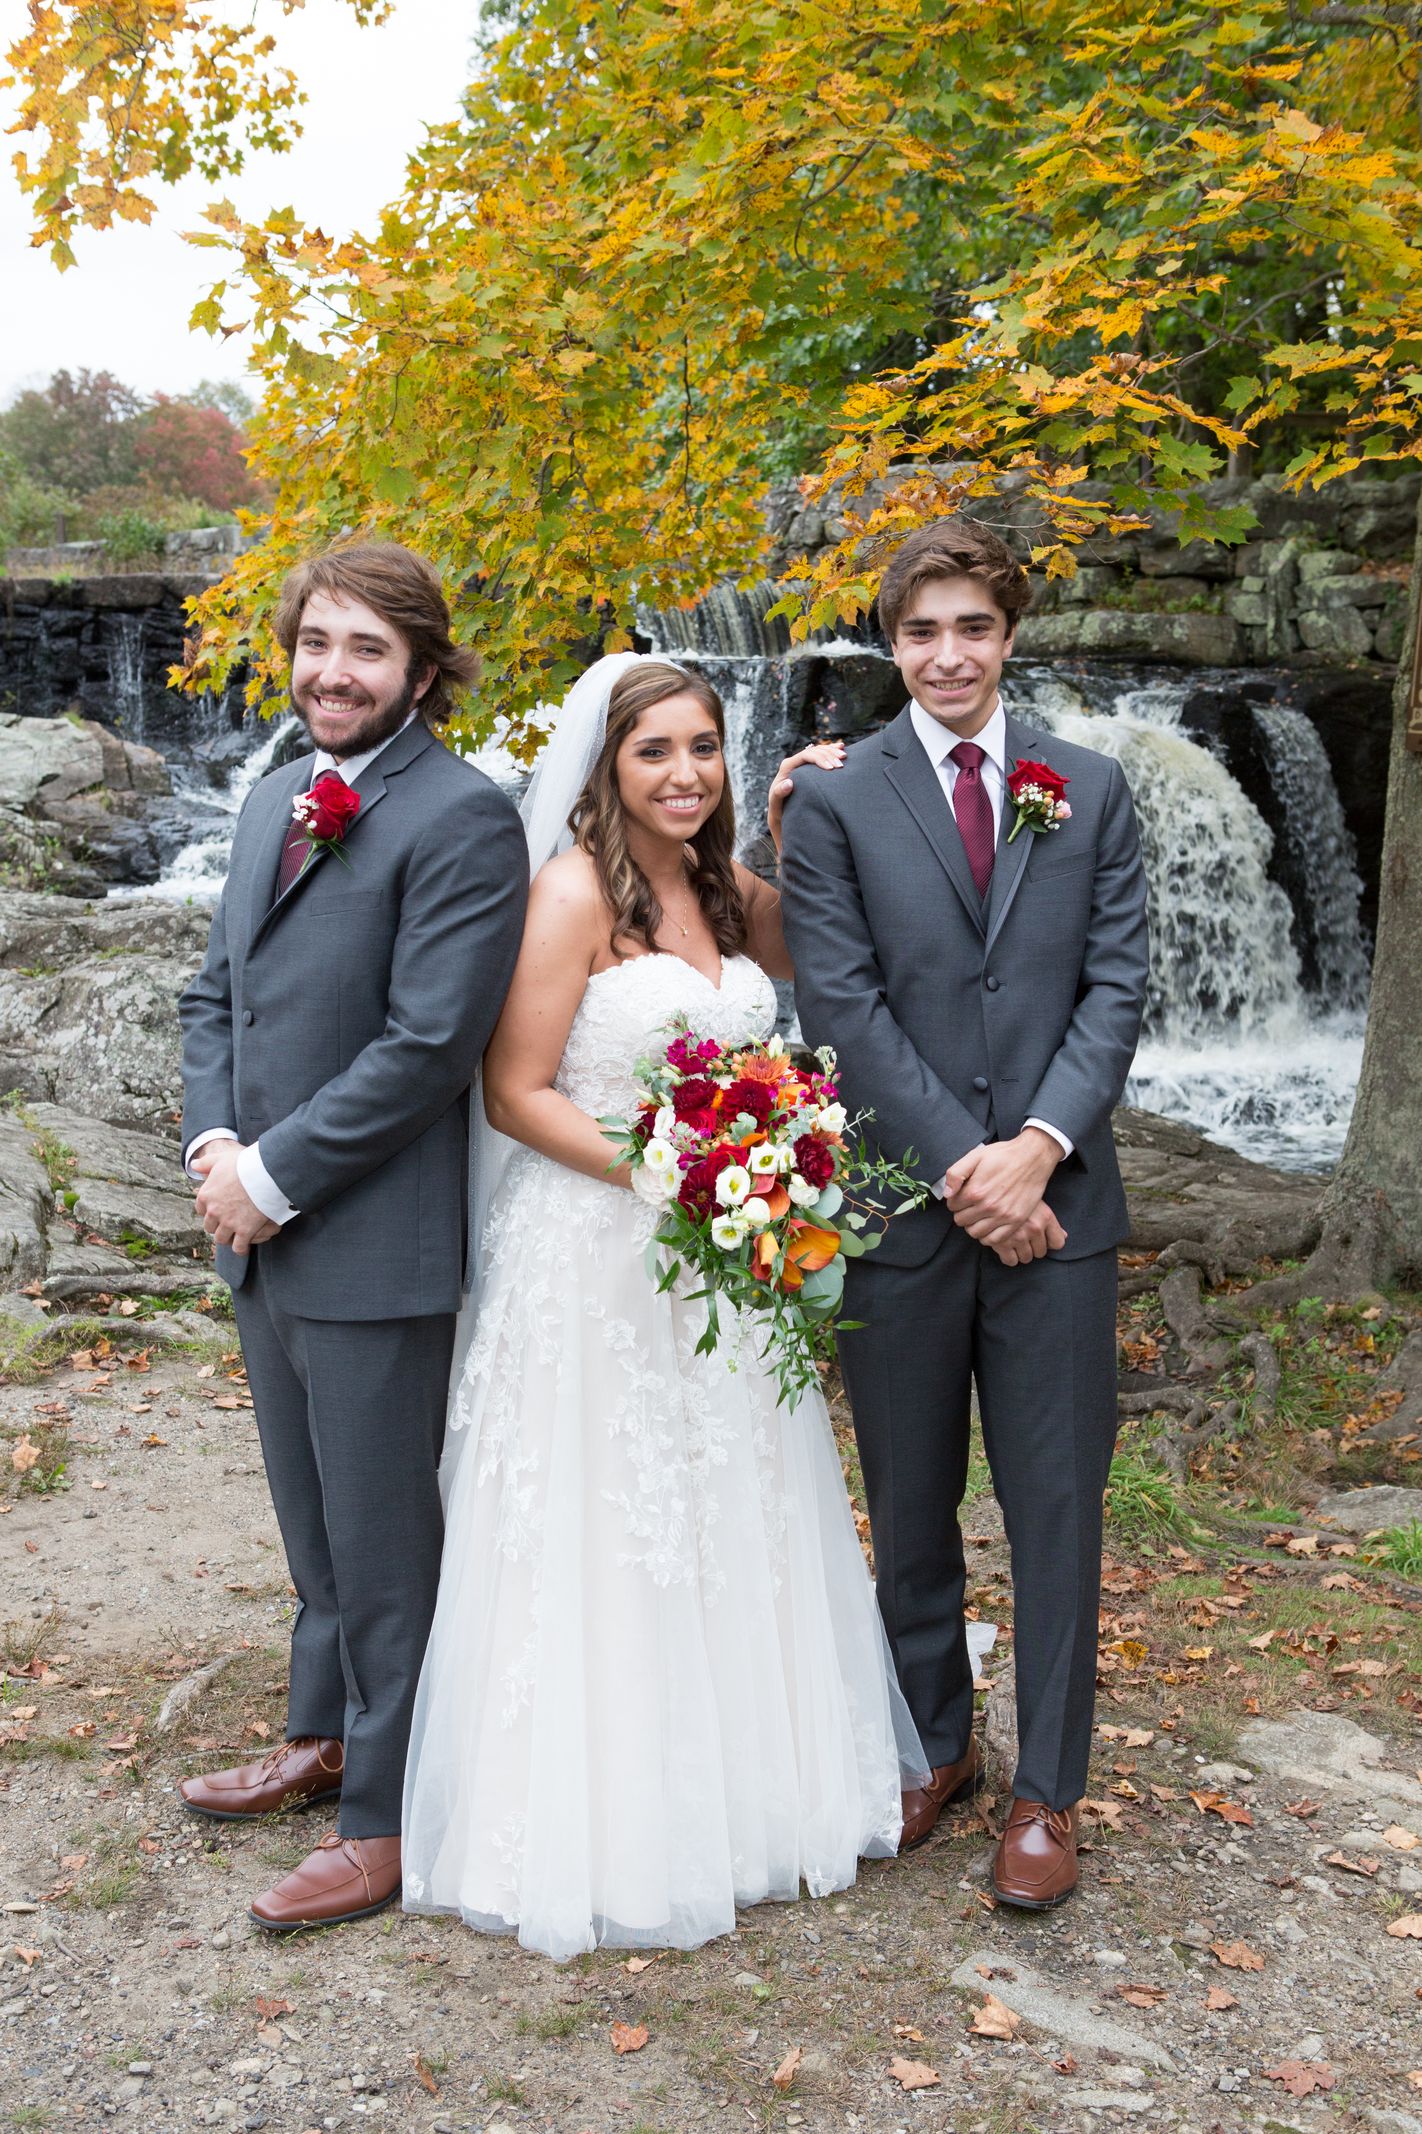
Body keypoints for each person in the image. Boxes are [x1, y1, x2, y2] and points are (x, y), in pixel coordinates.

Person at [402, 654, 927, 1961]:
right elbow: (515, 1092)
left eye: (702, 747)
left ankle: (747, 1801)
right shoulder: (571, 893)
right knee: (610, 1519)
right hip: (598, 1252)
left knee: (729, 1505)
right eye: (654, 752)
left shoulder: (723, 885)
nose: (684, 773)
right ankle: (606, 1821)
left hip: (722, 1255)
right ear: (607, 765)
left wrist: (804, 822)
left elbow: (818, 950)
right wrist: (667, 1172)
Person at [779, 517, 1150, 1911]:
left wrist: (1036, 1150)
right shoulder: (835, 802)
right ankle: (932, 1740)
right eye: (922, 629)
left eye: (973, 628)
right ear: (892, 642)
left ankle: (1048, 1790)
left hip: (1060, 1212)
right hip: (901, 1212)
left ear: (1008, 636)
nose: (948, 654)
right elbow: (840, 1003)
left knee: (1056, 1504)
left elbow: (1114, 987)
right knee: (911, 1495)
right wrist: (963, 1166)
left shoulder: (1089, 787)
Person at [177, 542, 529, 1930]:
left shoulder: (464, 818)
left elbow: (428, 1046)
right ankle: (319, 1736)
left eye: (367, 649)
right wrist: (215, 1146)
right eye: (317, 642)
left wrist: (271, 1175)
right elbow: (217, 995)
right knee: (312, 1525)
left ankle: (383, 1819)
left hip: (372, 1240)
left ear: (424, 671)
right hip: (256, 1228)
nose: (333, 671)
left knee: (384, 1549)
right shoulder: (274, 793)